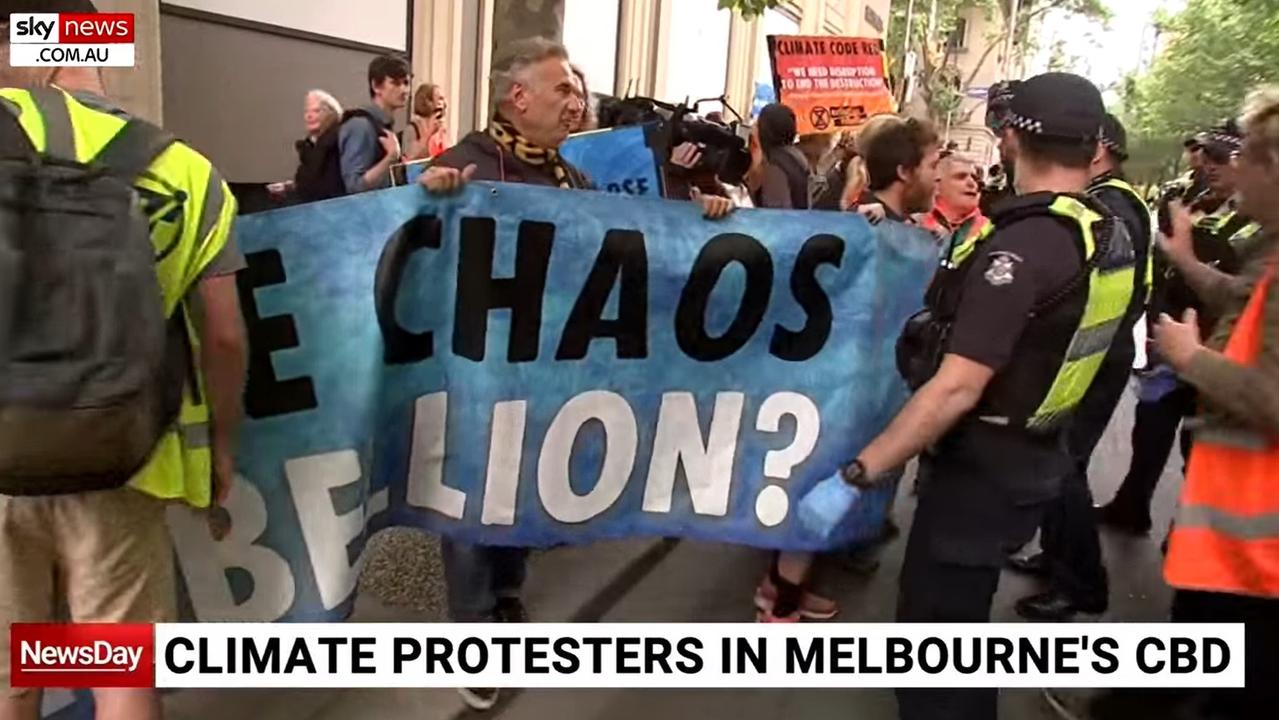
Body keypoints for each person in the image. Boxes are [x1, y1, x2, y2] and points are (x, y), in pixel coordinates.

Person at [798, 73, 1133, 720]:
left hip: (982, 468)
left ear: (1008, 137)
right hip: (1036, 455)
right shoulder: (1104, 231)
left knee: (934, 646)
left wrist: (857, 472)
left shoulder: (1027, 245)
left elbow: (956, 385)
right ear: (1093, 147)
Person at [418, 36, 731, 711]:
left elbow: (634, 237)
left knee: (523, 494)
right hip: (477, 374)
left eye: (577, 88)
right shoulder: (462, 166)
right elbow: (391, 238)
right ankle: (471, 634)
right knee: (474, 505)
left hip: (548, 376)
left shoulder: (570, 178)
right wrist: (426, 200)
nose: (576, 100)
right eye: (561, 88)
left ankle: (506, 603)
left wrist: (697, 217)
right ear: (516, 97)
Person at [0, 2, 248, 719]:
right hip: (124, 455)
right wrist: (221, 450)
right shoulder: (186, 168)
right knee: (120, 674)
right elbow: (225, 337)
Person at [1092, 85, 1279, 720]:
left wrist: (1190, 356)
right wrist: (1182, 257)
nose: (1228, 174)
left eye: (1242, 159)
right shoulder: (1270, 251)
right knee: (1200, 620)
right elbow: (1243, 296)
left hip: (1256, 537)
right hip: (1233, 526)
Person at [756, 114, 943, 624]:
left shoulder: (905, 231)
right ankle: (779, 608)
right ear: (905, 172)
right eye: (933, 164)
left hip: (863, 388)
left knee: (826, 487)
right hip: (835, 387)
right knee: (816, 485)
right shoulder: (864, 225)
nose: (940, 175)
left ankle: (781, 587)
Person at [1013, 113, 1152, 622]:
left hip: (1092, 357)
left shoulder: (1110, 204)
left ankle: (1080, 585)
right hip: (1096, 354)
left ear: (1099, 151)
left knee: (1061, 469)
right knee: (1059, 465)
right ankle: (1056, 560)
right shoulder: (1118, 200)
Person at [1097, 121, 1256, 535]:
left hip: (1216, 350)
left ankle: (1187, 534)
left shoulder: (1255, 219)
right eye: (1203, 156)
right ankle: (1131, 506)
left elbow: (1237, 291)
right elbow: (1163, 265)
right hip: (1170, 337)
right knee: (1149, 429)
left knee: (1198, 447)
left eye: (1220, 158)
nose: (1207, 164)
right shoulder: (1185, 198)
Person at [339, 53, 410, 194]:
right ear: (376, 86)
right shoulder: (360, 126)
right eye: (395, 83)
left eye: (406, 83)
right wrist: (391, 158)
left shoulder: (382, 125)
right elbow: (354, 187)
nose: (404, 90)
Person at [920, 152, 991, 245]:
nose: (972, 183)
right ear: (936, 185)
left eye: (974, 178)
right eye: (961, 177)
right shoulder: (913, 223)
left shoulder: (990, 230)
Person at [749, 103, 810, 209]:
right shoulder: (795, 154)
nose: (754, 126)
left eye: (758, 123)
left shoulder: (773, 165)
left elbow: (775, 210)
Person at [291, 89, 346, 203]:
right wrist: (290, 187)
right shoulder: (308, 147)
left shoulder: (339, 142)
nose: (309, 116)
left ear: (332, 114)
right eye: (306, 111)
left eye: (316, 111)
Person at [404, 82, 449, 162]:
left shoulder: (441, 129)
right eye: (440, 98)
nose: (444, 103)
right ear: (427, 101)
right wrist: (428, 134)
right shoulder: (412, 129)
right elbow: (410, 157)